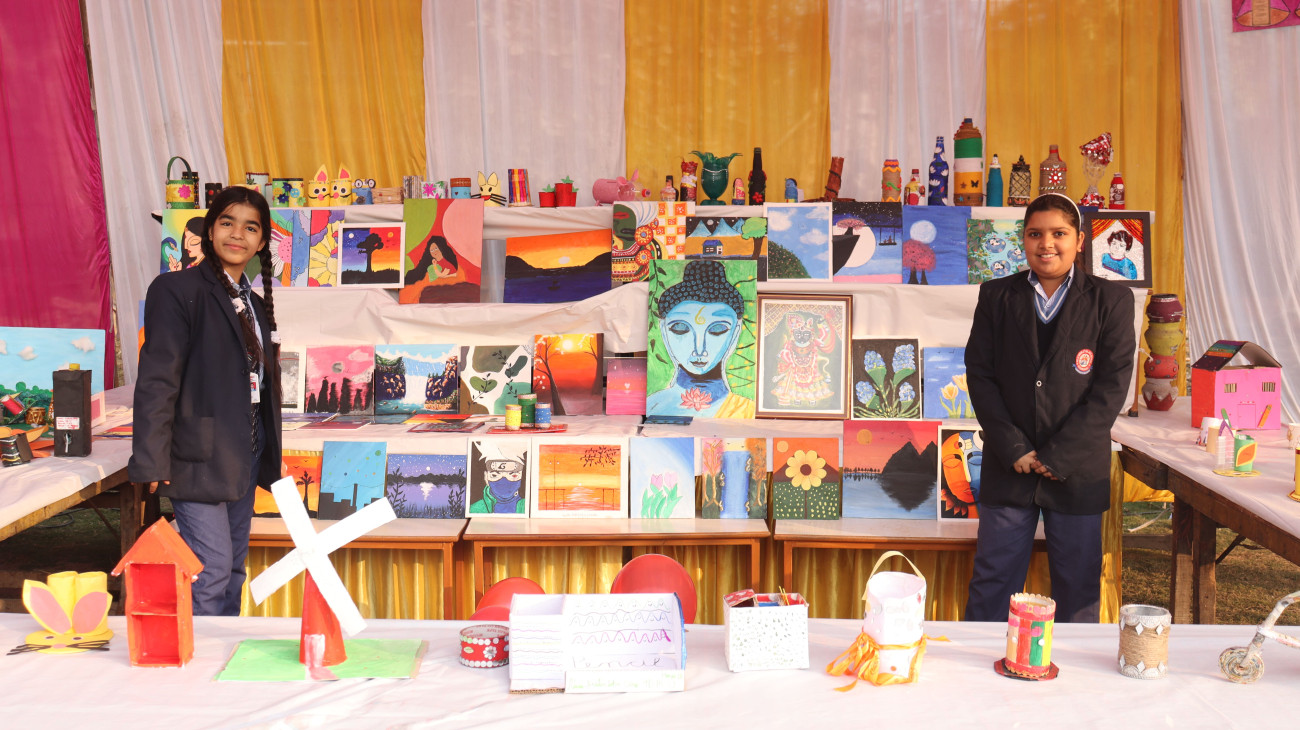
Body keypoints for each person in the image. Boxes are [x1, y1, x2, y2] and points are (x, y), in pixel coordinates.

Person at [963, 193, 1135, 623]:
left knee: (1077, 586)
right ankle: (977, 663)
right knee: (993, 580)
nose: (1047, 244)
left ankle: (1072, 667)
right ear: (1023, 240)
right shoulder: (997, 296)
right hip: (1011, 465)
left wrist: (1058, 455)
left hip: (1076, 470)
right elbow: (980, 375)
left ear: (1080, 240)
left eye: (1059, 233)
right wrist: (1014, 446)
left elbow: (1111, 387)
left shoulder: (1111, 300)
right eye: (1035, 234)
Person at [129, 186, 283, 617]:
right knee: (211, 570)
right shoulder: (175, 289)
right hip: (196, 456)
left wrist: (268, 450)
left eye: (250, 227)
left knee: (232, 570)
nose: (237, 234)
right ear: (210, 230)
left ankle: (224, 654)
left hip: (244, 453)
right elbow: (158, 380)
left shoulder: (254, 303)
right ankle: (197, 658)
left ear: (262, 241)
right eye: (227, 223)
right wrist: (151, 459)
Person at [647, 260, 755, 418]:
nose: (699, 350)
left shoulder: (746, 411)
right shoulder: (653, 406)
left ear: (735, 332)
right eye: (680, 328)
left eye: (717, 329)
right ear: (663, 330)